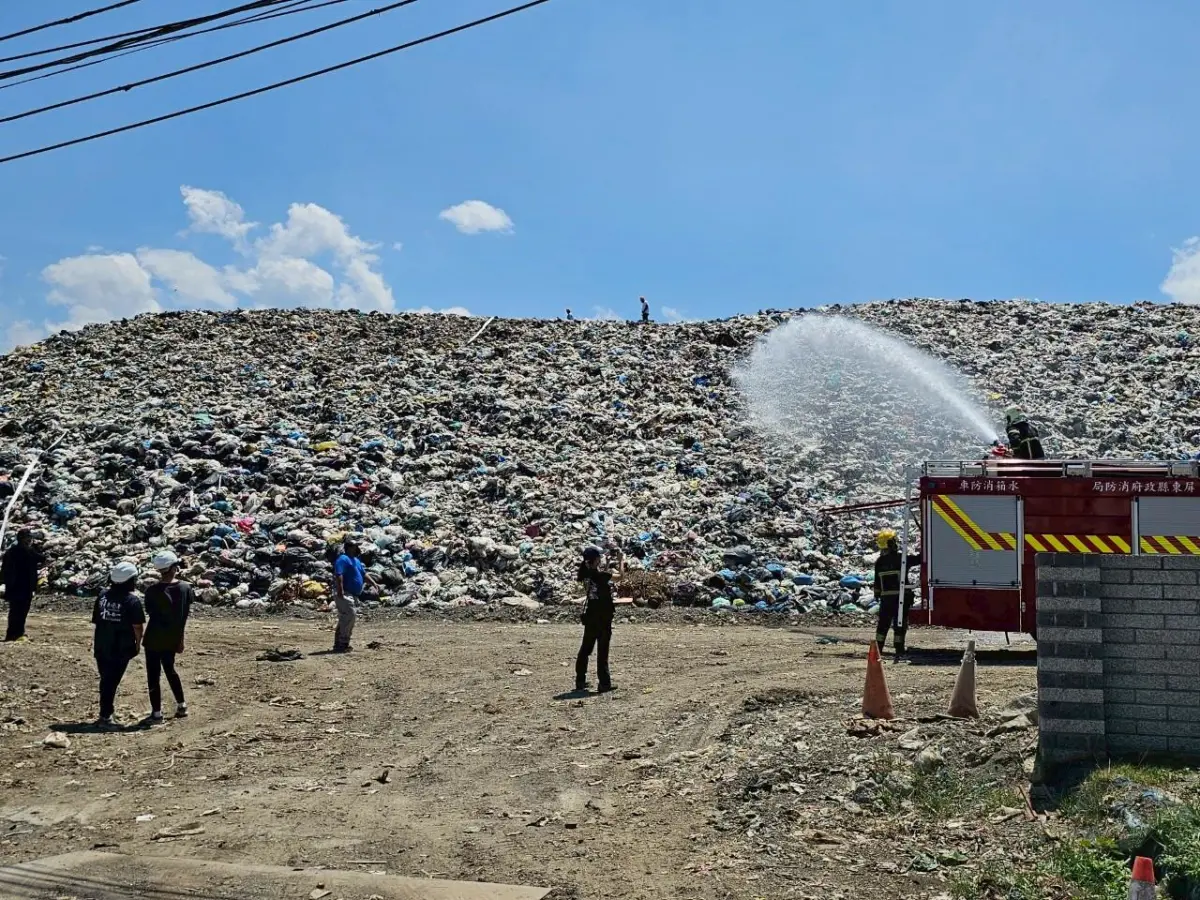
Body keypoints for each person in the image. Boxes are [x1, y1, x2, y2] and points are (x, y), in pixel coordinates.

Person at [92, 561, 145, 729]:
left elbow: (97, 620)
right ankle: (105, 716)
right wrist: (137, 644)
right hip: (121, 647)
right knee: (111, 681)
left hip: (102, 644)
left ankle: (106, 712)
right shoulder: (132, 601)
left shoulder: (102, 596)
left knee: (106, 679)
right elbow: (137, 626)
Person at [142, 550, 193, 724]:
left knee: (153, 675)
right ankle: (182, 705)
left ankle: (156, 713)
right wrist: (180, 639)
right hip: (172, 638)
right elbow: (184, 615)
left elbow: (149, 611)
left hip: (154, 638)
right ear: (173, 568)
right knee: (170, 670)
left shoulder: (152, 591)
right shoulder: (186, 588)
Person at [575, 545, 623, 693]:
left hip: (591, 616)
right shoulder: (600, 575)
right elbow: (620, 577)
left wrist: (607, 564)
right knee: (602, 651)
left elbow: (600, 580)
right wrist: (621, 561)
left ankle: (580, 680)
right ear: (595, 560)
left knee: (585, 649)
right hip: (603, 617)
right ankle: (604, 683)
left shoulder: (584, 574)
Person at [873, 529, 921, 658]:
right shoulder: (901, 558)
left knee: (883, 624)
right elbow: (919, 559)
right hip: (901, 597)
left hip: (886, 599)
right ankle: (899, 649)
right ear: (890, 543)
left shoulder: (879, 562)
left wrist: (877, 594)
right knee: (900, 624)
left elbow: (877, 582)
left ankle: (878, 649)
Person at [332, 537, 378, 653]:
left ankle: (339, 643)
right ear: (349, 548)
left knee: (345, 618)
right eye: (355, 546)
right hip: (344, 592)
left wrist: (373, 583)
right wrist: (340, 590)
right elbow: (339, 574)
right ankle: (343, 644)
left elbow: (363, 574)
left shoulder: (356, 560)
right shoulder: (343, 559)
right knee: (349, 615)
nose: (357, 548)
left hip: (353, 594)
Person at [2, 528, 44, 642]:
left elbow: (4, 570)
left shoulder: (10, 552)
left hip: (14, 588)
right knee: (21, 612)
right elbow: (41, 558)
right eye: (28, 538)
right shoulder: (28, 551)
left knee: (14, 611)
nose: (30, 540)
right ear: (24, 539)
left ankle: (11, 634)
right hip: (24, 588)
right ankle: (18, 633)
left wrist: (7, 585)